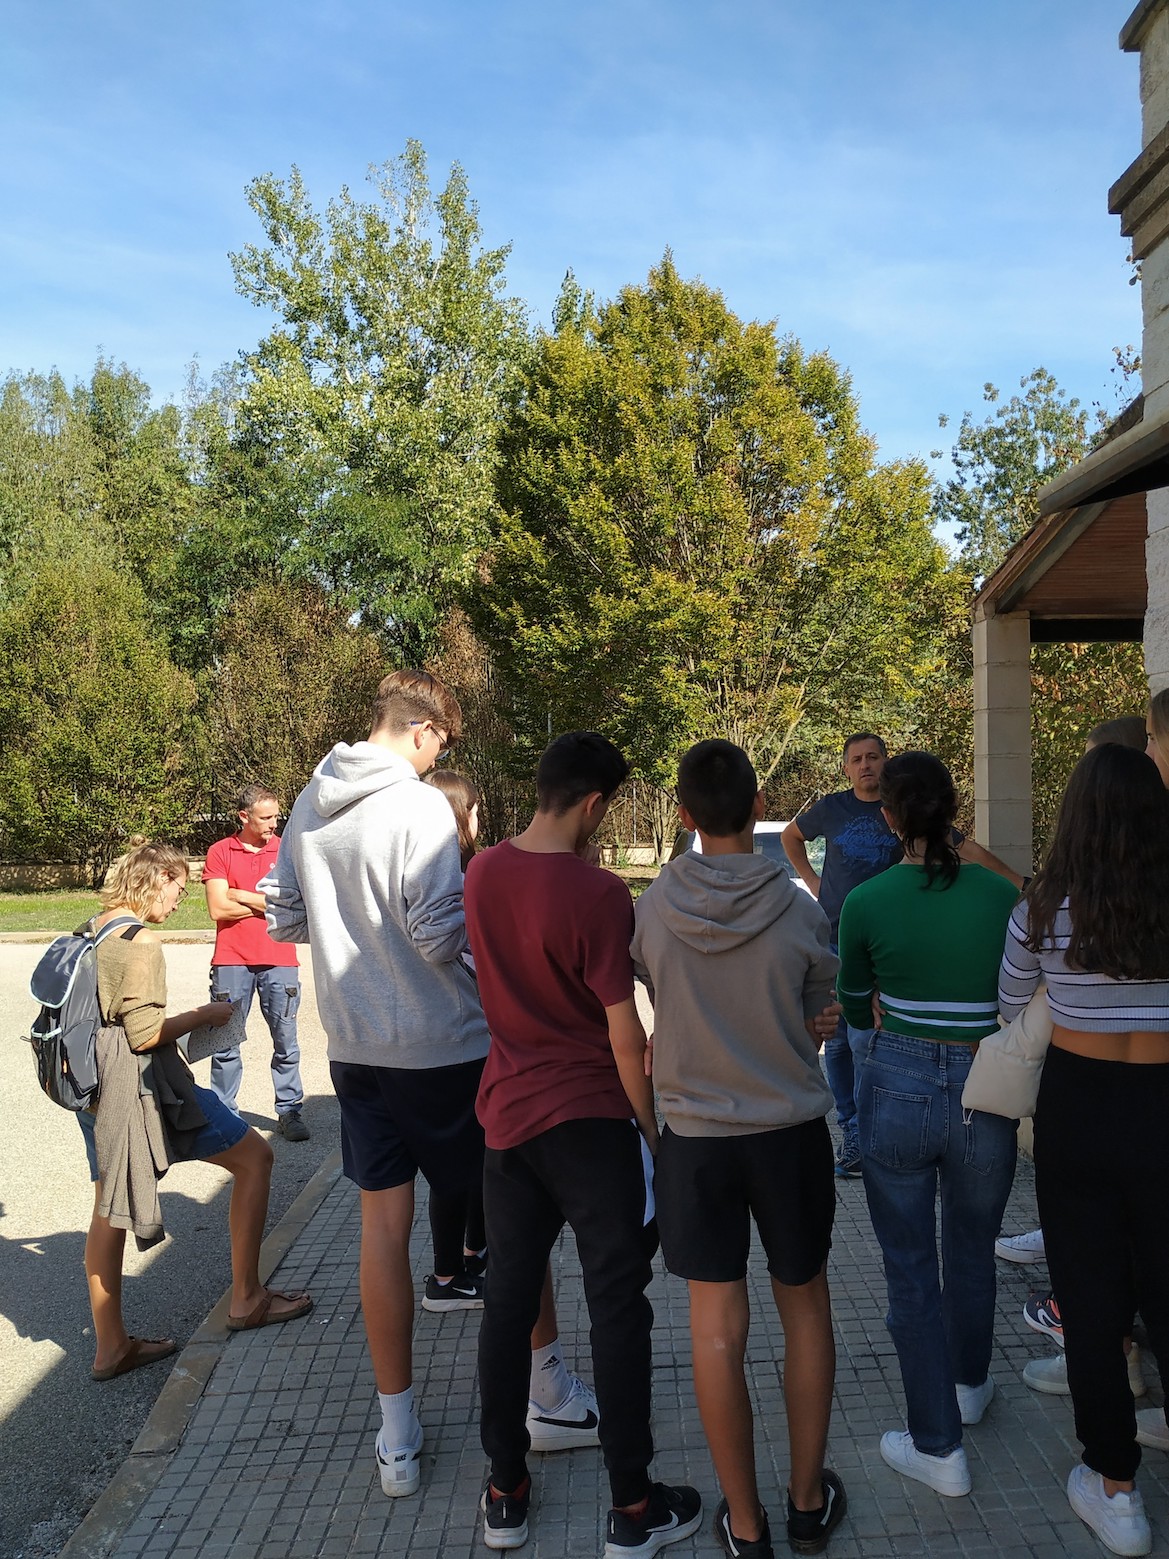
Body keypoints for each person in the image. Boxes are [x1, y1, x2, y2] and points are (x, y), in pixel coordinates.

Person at [467, 732, 702, 1554]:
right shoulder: (600, 893)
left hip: (506, 1122)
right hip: (590, 1125)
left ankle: (504, 1488)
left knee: (507, 1299)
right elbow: (622, 1034)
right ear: (595, 803)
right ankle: (633, 1507)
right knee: (617, 1307)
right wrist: (653, 1132)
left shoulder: (481, 871)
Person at [632, 739, 846, 1558]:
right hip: (788, 1134)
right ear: (758, 809)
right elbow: (817, 1010)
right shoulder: (798, 907)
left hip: (695, 1141)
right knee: (806, 1309)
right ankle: (805, 1504)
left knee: (715, 1330)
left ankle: (746, 1525)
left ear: (683, 814)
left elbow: (652, 988)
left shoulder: (653, 907)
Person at [1000, 741, 1169, 1558]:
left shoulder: (1040, 907)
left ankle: (1114, 1487)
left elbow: (1009, 1008)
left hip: (1078, 1103)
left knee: (1090, 1298)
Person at [836, 753, 1019, 1498]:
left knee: (909, 1266)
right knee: (972, 1249)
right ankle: (969, 1386)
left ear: (888, 818)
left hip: (898, 1081)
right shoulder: (998, 895)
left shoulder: (867, 900)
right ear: (953, 813)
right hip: (985, 1081)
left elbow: (854, 1002)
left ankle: (936, 1444)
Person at [81, 842, 312, 1381]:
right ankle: (247, 1298)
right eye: (177, 889)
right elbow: (144, 1036)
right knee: (255, 1158)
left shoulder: (92, 929)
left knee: (108, 1205)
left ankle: (111, 1347)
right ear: (158, 878)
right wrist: (204, 1015)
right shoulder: (140, 941)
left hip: (93, 1089)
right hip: (143, 1088)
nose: (178, 901)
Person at [786, 735, 1021, 1179]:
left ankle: (884, 1133)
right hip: (840, 938)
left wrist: (1018, 880)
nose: (865, 765)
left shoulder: (913, 816)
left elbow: (967, 849)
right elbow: (791, 837)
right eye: (856, 759)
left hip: (894, 967)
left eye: (873, 757)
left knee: (869, 1038)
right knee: (842, 1042)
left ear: (890, 813)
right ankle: (853, 1129)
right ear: (845, 769)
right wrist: (814, 882)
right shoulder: (831, 810)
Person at [203, 784, 308, 1141]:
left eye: (276, 816)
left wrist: (241, 895)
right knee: (225, 1043)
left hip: (280, 959)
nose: (274, 824)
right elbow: (218, 908)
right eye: (265, 818)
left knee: (286, 1040)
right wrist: (267, 904)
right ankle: (224, 1116)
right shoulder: (220, 851)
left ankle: (289, 1110)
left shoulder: (287, 851)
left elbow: (294, 905)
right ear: (243, 817)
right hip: (231, 960)